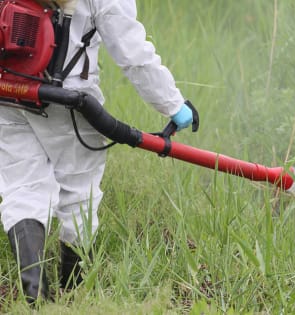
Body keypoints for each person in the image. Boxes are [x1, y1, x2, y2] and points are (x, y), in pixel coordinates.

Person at [0, 0, 193, 303]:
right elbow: (133, 55)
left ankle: (34, 299)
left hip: (7, 92)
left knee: (22, 188)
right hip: (68, 100)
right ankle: (73, 293)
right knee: (79, 192)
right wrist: (175, 105)